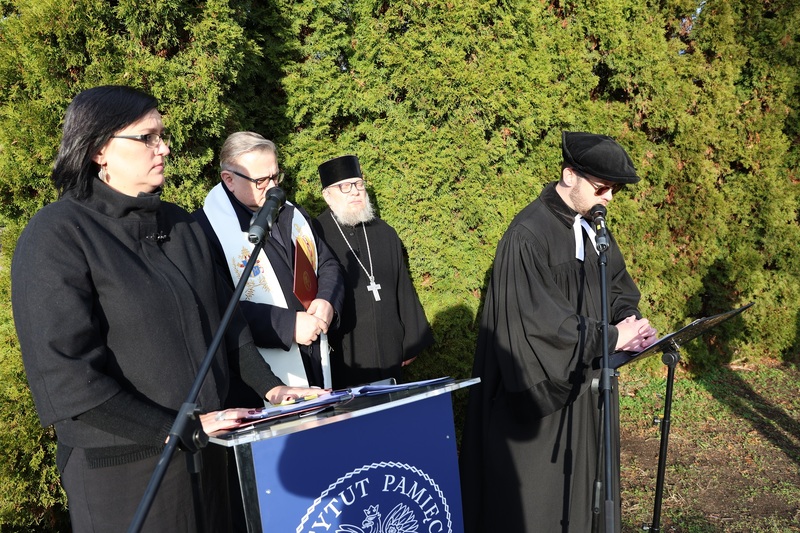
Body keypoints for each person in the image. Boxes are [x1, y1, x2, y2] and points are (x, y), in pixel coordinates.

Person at [10, 86, 320, 532]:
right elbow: (67, 379)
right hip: (125, 473)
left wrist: (272, 390)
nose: (165, 147)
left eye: (162, 135)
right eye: (148, 137)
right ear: (99, 149)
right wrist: (175, 428)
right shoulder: (57, 236)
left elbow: (227, 326)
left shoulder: (181, 226)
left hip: (210, 459)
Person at [459, 131, 659, 532]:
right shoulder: (527, 235)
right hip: (542, 404)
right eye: (602, 188)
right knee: (544, 508)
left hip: (587, 392)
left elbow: (616, 284)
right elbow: (540, 325)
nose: (610, 198)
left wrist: (630, 321)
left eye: (614, 190)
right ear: (570, 175)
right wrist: (610, 338)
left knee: (587, 495)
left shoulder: (592, 225)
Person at [195, 132, 344, 400]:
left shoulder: (291, 213)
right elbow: (217, 308)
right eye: (261, 180)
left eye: (276, 176)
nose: (274, 187)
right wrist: (288, 325)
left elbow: (329, 263)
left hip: (313, 356)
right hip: (260, 378)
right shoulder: (205, 231)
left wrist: (327, 300)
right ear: (229, 179)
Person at [311, 155, 434, 388]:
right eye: (345, 187)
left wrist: (411, 341)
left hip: (390, 348)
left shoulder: (385, 232)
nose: (356, 191)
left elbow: (402, 287)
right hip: (345, 351)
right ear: (327, 195)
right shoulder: (317, 234)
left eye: (359, 184)